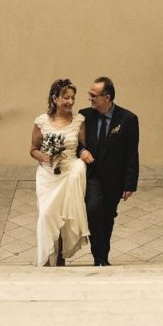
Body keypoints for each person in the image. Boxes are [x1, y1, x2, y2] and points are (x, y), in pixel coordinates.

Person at [78, 77, 139, 267]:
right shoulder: (84, 115)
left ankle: (102, 257)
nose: (90, 99)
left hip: (114, 178)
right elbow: (76, 142)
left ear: (107, 97)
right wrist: (82, 150)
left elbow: (131, 153)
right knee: (93, 209)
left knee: (107, 218)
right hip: (93, 176)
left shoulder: (128, 119)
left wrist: (130, 184)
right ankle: (99, 257)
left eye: (94, 95)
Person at [30, 78, 89, 267]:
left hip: (70, 173)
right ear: (55, 98)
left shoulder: (79, 121)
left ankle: (61, 256)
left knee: (64, 216)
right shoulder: (41, 122)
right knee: (47, 214)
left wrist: (83, 155)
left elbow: (83, 147)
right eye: (66, 98)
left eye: (73, 98)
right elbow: (33, 149)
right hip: (48, 175)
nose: (70, 102)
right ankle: (47, 257)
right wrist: (47, 157)